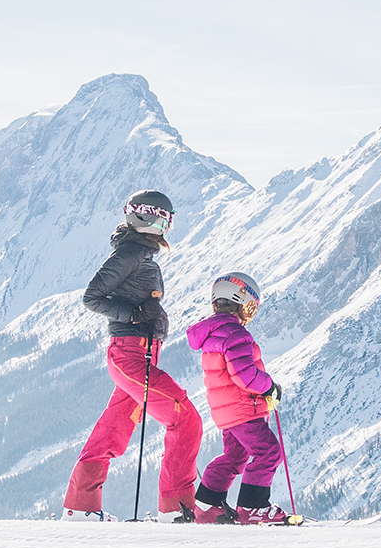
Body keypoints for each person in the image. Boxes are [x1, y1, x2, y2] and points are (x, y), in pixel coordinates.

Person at [62, 190, 205, 522]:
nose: (163, 226)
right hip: (129, 357)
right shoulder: (130, 253)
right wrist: (134, 314)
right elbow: (92, 298)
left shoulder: (141, 254)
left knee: (111, 432)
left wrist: (144, 316)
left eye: (166, 220)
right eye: (159, 219)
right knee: (186, 419)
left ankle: (80, 507)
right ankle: (176, 509)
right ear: (143, 217)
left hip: (139, 356)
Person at [185, 272, 290, 525]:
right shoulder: (236, 334)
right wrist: (269, 387)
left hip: (226, 412)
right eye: (250, 307)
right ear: (240, 300)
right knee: (268, 452)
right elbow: (245, 375)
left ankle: (207, 506)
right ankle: (252, 508)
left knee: (235, 457)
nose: (250, 314)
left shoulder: (213, 333)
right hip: (244, 409)